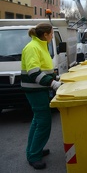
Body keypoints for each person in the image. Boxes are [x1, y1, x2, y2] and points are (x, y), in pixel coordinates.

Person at [21, 23, 62, 170]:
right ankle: (34, 156)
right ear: (45, 35)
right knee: (43, 122)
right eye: (51, 34)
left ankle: (34, 150)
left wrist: (54, 79)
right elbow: (34, 72)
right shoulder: (33, 48)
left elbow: (44, 69)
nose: (52, 37)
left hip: (39, 90)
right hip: (35, 90)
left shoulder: (40, 46)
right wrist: (52, 83)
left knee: (37, 121)